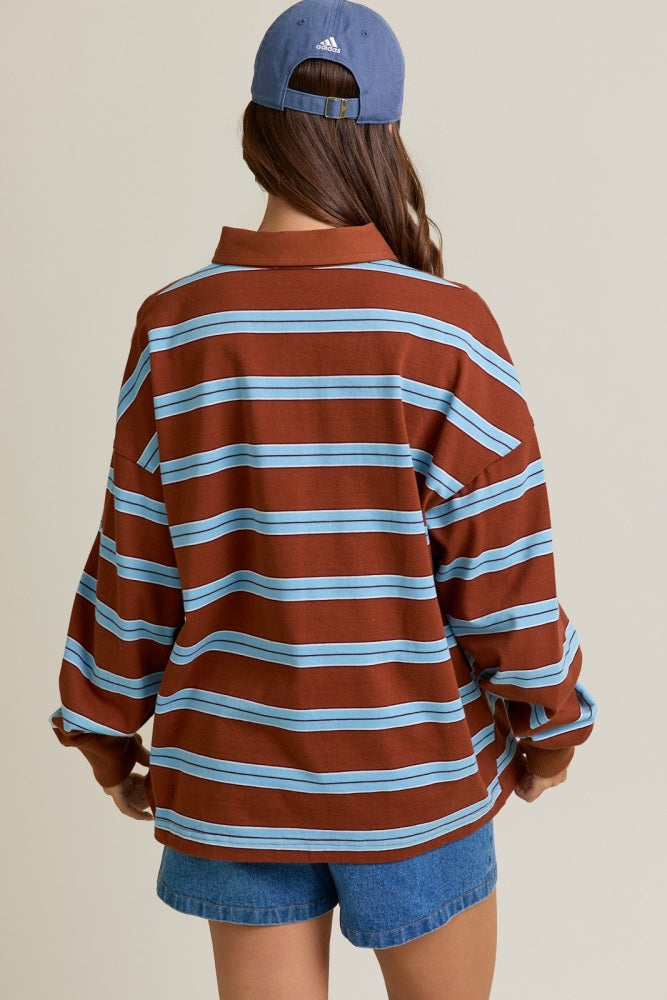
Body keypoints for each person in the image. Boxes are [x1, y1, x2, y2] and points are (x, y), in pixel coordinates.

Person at [48, 2, 597, 997]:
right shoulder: (446, 332)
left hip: (237, 787)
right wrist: (550, 729)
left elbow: (136, 563)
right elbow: (505, 575)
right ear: (386, 138)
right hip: (413, 782)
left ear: (257, 130)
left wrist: (102, 730)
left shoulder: (175, 329)